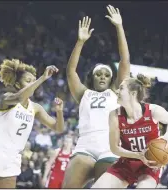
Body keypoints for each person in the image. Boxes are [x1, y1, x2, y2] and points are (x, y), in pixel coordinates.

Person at [63, 5, 130, 188]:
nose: (102, 76)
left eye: (106, 75)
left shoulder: (115, 92)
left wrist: (119, 27)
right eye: (98, 74)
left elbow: (125, 61)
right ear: (92, 77)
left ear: (111, 79)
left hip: (110, 147)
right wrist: (80, 42)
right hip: (85, 146)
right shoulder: (84, 93)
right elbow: (70, 72)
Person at [0, 59, 65, 188]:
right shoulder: (7, 98)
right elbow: (20, 97)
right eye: (28, 81)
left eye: (33, 81)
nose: (32, 84)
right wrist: (42, 78)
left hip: (13, 158)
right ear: (17, 84)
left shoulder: (36, 108)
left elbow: (58, 128)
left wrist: (59, 112)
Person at [92, 74, 168, 188]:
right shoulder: (114, 115)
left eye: (121, 88)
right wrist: (138, 155)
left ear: (133, 93)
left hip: (150, 166)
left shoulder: (152, 111)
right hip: (126, 163)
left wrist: (167, 137)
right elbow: (114, 148)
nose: (117, 91)